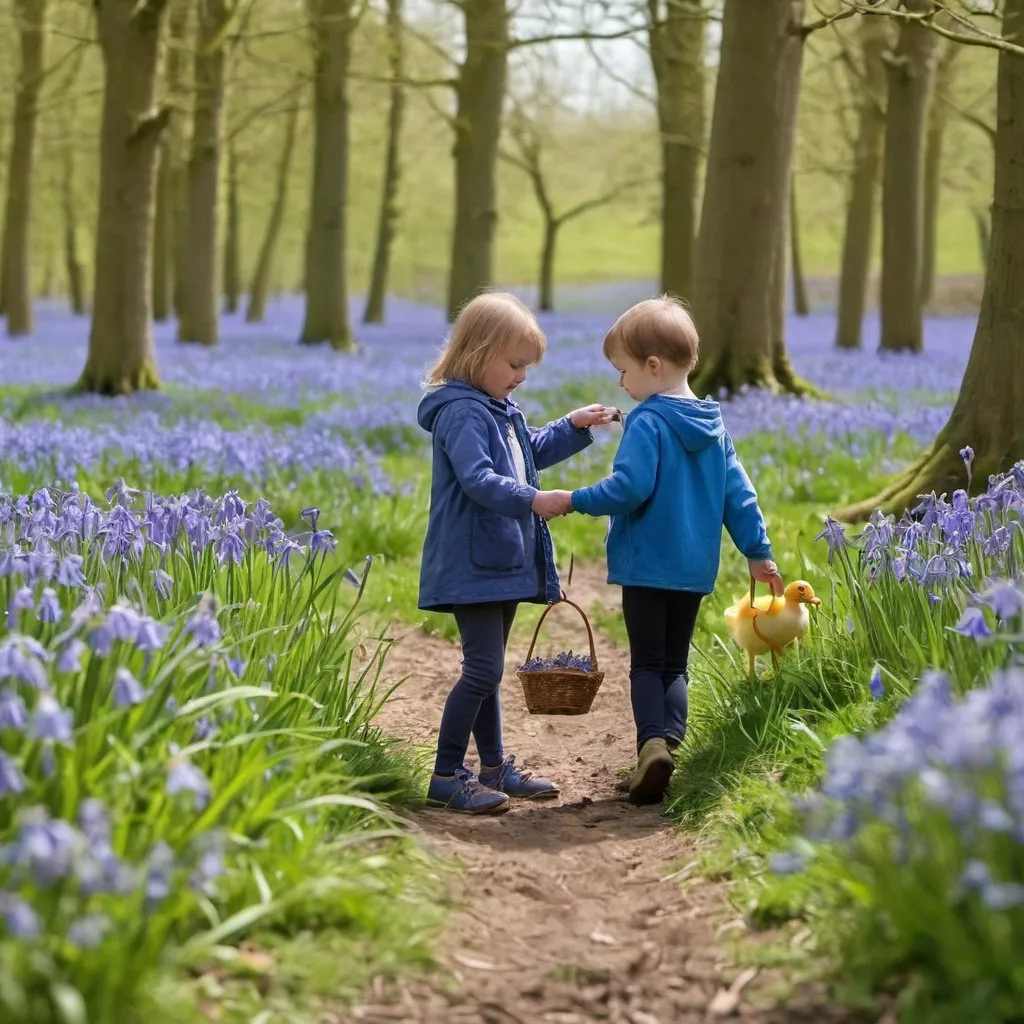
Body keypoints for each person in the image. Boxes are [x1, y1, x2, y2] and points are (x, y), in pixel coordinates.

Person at [537, 296, 783, 806]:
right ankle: (670, 746)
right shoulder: (714, 427)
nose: (621, 384)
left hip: (647, 565)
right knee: (676, 664)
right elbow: (739, 495)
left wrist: (574, 500)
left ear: (653, 367)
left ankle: (650, 747)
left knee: (647, 663)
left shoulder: (648, 422)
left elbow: (629, 489)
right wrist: (758, 552)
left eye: (623, 372)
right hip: (694, 568)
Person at [417, 291, 618, 815]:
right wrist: (533, 500)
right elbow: (480, 479)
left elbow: (527, 453)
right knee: (481, 670)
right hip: (470, 562)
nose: (521, 376)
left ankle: (493, 767)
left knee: (488, 669)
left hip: (498, 560)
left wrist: (572, 427)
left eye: (525, 367)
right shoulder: (461, 413)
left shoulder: (497, 409)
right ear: (478, 352)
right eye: (514, 364)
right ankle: (445, 775)